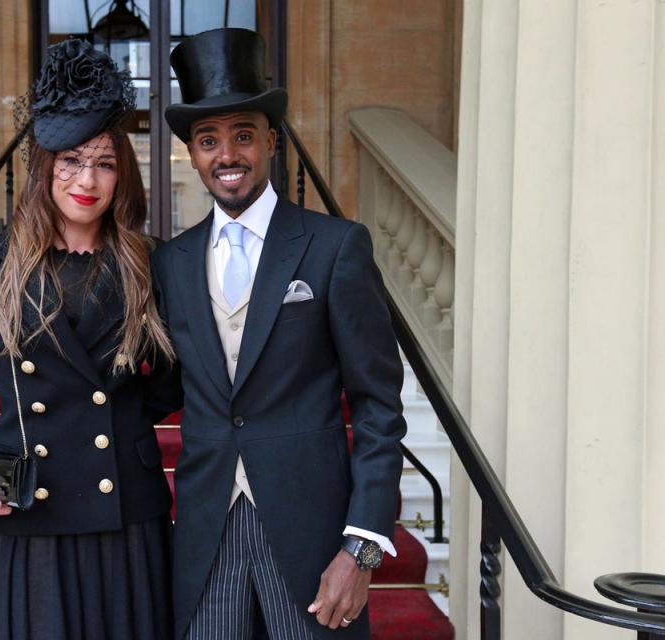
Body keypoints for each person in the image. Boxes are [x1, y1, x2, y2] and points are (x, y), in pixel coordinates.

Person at [151, 28, 408, 640]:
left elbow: (378, 405)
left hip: (314, 539)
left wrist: (362, 549)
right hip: (207, 529)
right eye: (208, 140)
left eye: (243, 134)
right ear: (191, 153)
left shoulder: (334, 247)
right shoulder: (170, 263)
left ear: (271, 140)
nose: (227, 154)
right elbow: (159, 389)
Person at [0, 38, 180, 640]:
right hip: (29, 508)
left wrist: (120, 421)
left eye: (104, 162)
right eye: (69, 161)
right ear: (43, 168)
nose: (86, 179)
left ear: (124, 173)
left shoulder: (153, 264)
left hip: (126, 506)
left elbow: (170, 384)